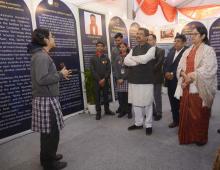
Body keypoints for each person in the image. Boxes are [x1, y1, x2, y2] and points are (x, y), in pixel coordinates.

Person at [28, 28, 72, 170]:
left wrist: (59, 73)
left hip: (46, 98)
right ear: (45, 40)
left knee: (48, 131)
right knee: (51, 132)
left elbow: (44, 77)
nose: (54, 38)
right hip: (46, 99)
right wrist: (60, 75)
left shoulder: (41, 55)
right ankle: (49, 163)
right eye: (52, 36)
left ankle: (48, 157)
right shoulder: (41, 56)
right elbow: (41, 79)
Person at [175, 26, 217, 146]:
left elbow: (209, 70)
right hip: (186, 87)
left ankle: (199, 138)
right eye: (191, 34)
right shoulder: (188, 50)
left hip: (199, 88)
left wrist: (189, 78)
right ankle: (187, 136)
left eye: (195, 34)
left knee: (199, 115)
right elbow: (180, 66)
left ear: (203, 36)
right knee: (186, 113)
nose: (192, 36)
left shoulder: (209, 50)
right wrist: (183, 74)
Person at [124, 27, 156, 135]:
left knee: (147, 103)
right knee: (136, 103)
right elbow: (125, 61)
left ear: (146, 37)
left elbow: (145, 59)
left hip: (146, 80)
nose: (138, 35)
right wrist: (136, 62)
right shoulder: (133, 48)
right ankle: (138, 123)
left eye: (141, 34)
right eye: (137, 33)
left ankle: (149, 125)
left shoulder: (152, 48)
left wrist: (133, 59)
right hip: (134, 80)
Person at [163, 33, 187, 128]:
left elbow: (183, 67)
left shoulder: (186, 53)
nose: (176, 43)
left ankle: (183, 122)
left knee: (181, 103)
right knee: (172, 102)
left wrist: (172, 73)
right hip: (169, 82)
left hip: (179, 82)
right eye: (175, 41)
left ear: (183, 43)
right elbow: (165, 64)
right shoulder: (171, 51)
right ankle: (175, 120)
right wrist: (165, 73)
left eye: (178, 41)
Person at [90, 41, 115, 120]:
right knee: (97, 97)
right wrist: (99, 80)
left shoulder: (106, 58)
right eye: (98, 46)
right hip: (96, 81)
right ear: (96, 47)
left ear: (104, 48)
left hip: (105, 81)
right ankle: (98, 112)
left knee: (106, 96)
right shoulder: (92, 58)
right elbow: (92, 70)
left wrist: (104, 79)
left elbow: (108, 70)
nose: (100, 47)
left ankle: (107, 110)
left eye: (101, 46)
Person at [148, 34, 165, 121]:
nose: (149, 41)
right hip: (148, 78)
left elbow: (159, 64)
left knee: (157, 96)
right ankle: (153, 111)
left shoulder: (161, 50)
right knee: (150, 96)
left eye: (151, 40)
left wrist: (148, 70)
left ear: (155, 40)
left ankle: (159, 113)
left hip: (157, 76)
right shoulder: (146, 51)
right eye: (148, 40)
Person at [114, 42, 132, 119]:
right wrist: (118, 78)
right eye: (120, 47)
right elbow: (116, 69)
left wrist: (123, 78)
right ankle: (123, 111)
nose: (122, 48)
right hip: (119, 80)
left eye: (123, 47)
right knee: (121, 97)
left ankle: (129, 112)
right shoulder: (117, 58)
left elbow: (130, 70)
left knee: (128, 97)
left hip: (127, 79)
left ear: (126, 47)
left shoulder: (129, 57)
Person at [111, 32, 124, 114]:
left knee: (126, 93)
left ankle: (127, 108)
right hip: (117, 75)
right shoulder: (114, 50)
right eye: (116, 41)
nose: (117, 42)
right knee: (119, 92)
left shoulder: (127, 47)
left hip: (126, 75)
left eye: (118, 40)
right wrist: (116, 75)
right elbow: (112, 63)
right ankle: (121, 107)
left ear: (122, 39)